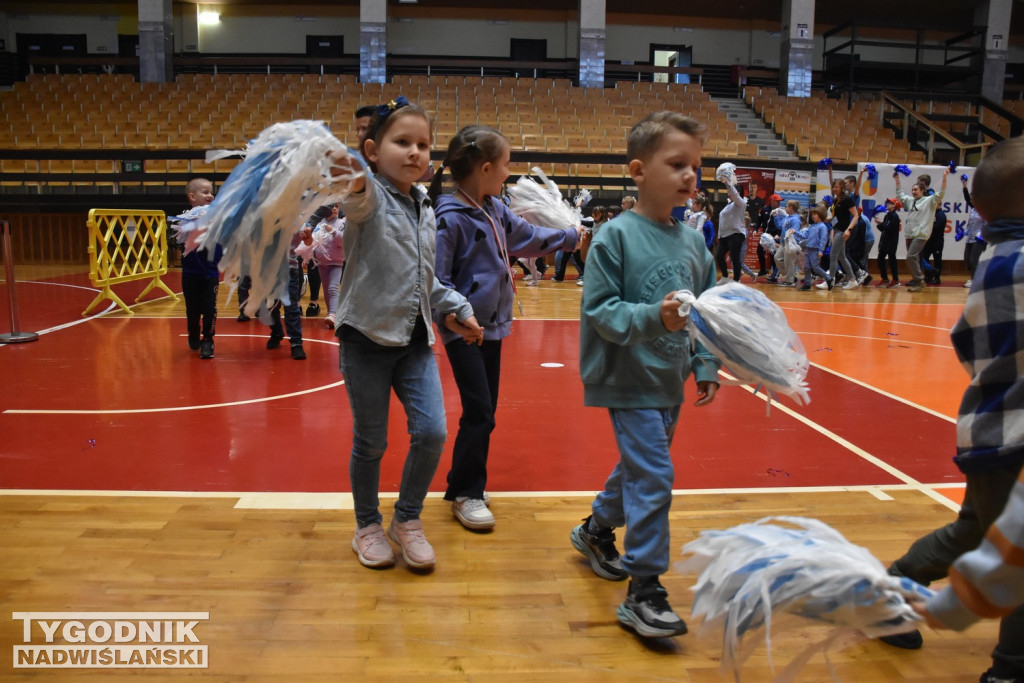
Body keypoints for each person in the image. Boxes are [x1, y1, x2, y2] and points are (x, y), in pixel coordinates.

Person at [571, 111, 720, 639]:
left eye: (695, 167)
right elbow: (601, 312)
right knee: (654, 475)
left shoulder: (695, 244)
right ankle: (645, 591)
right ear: (638, 170)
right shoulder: (614, 238)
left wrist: (704, 363)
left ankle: (595, 530)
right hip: (625, 378)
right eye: (677, 164)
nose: (690, 176)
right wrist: (653, 316)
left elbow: (708, 312)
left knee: (639, 468)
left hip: (668, 380)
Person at [880, 137, 1024, 683]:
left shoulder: (993, 260)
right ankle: (1010, 669)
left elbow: (966, 345)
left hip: (993, 428)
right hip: (1011, 435)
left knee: (975, 533)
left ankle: (890, 592)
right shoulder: (1017, 263)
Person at [328, 97, 483, 571]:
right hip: (366, 340)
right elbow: (355, 194)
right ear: (373, 150)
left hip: (415, 342)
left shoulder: (425, 205)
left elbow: (424, 278)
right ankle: (367, 525)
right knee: (371, 442)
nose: (415, 152)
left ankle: (407, 519)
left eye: (423, 144)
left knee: (432, 432)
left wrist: (456, 307)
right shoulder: (369, 196)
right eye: (402, 142)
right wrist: (350, 174)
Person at [430, 124, 582, 530]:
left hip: (492, 328)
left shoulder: (494, 209)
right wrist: (455, 316)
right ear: (483, 168)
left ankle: (464, 484)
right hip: (464, 329)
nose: (508, 175)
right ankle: (467, 493)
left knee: (485, 411)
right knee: (479, 410)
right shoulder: (450, 219)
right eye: (505, 166)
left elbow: (528, 237)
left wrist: (569, 237)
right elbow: (436, 278)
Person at [912, 467, 1024, 634]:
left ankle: (898, 584)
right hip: (1000, 454)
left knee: (970, 531)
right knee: (971, 532)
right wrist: (962, 602)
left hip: (993, 452)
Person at [179, 178, 220, 359]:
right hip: (190, 273)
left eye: (211, 192)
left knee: (210, 309)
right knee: (192, 309)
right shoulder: (185, 219)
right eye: (205, 192)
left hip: (210, 272)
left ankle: (208, 340)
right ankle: (193, 331)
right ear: (192, 197)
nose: (210, 195)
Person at [895, 166, 948, 292]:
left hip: (921, 234)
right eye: (912, 190)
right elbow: (900, 195)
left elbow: (941, 193)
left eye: (916, 190)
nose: (913, 192)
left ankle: (919, 280)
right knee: (915, 258)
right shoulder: (910, 200)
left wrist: (944, 177)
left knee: (910, 256)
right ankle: (916, 278)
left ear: (923, 190)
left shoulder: (929, 201)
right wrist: (897, 181)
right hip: (910, 233)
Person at [266, 229, 307, 361]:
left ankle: (296, 343)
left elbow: (307, 240)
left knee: (291, 308)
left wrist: (307, 236)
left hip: (289, 271)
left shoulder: (294, 222)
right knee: (270, 306)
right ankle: (277, 332)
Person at [310, 203, 346, 328]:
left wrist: (334, 232)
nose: (334, 209)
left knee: (332, 288)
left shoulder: (341, 223)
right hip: (322, 263)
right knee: (326, 290)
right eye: (331, 207)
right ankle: (331, 315)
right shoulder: (319, 223)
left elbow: (343, 242)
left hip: (336, 262)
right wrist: (308, 255)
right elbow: (313, 241)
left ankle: (333, 314)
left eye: (336, 206)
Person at [825, 178, 860, 289]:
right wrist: (823, 218)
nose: (834, 189)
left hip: (842, 231)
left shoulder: (847, 199)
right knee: (842, 257)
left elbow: (856, 215)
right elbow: (833, 217)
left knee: (833, 256)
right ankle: (853, 280)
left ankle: (830, 281)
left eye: (836, 187)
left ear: (842, 188)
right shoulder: (836, 200)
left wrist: (848, 229)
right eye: (833, 187)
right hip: (836, 230)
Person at [715, 179, 748, 282]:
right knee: (719, 255)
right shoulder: (729, 205)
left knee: (734, 257)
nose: (728, 192)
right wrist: (719, 235)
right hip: (724, 236)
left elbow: (734, 193)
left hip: (736, 234)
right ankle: (725, 277)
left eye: (730, 191)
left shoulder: (741, 203)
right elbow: (723, 221)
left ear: (737, 193)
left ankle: (736, 280)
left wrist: (727, 182)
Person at [796, 204, 832, 291]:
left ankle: (829, 278)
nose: (813, 216)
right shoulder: (811, 226)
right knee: (807, 267)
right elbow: (804, 235)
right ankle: (807, 284)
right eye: (812, 214)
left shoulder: (823, 227)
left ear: (820, 215)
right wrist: (795, 232)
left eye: (815, 214)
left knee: (815, 267)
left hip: (815, 250)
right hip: (808, 249)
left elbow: (823, 239)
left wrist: (821, 251)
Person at [962, 176, 987, 289]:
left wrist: (981, 236)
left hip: (979, 239)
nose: (971, 201)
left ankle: (974, 280)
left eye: (973, 199)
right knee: (967, 258)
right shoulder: (973, 210)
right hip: (970, 238)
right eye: (971, 199)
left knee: (973, 259)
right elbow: (970, 225)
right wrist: (963, 233)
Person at [875, 198, 903, 287]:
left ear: (894, 205)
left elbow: (890, 229)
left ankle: (895, 280)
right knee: (880, 259)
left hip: (891, 242)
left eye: (890, 203)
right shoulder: (887, 215)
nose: (887, 204)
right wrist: (879, 224)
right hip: (885, 242)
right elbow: (883, 229)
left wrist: (881, 224)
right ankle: (885, 278)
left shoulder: (894, 217)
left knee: (892, 261)